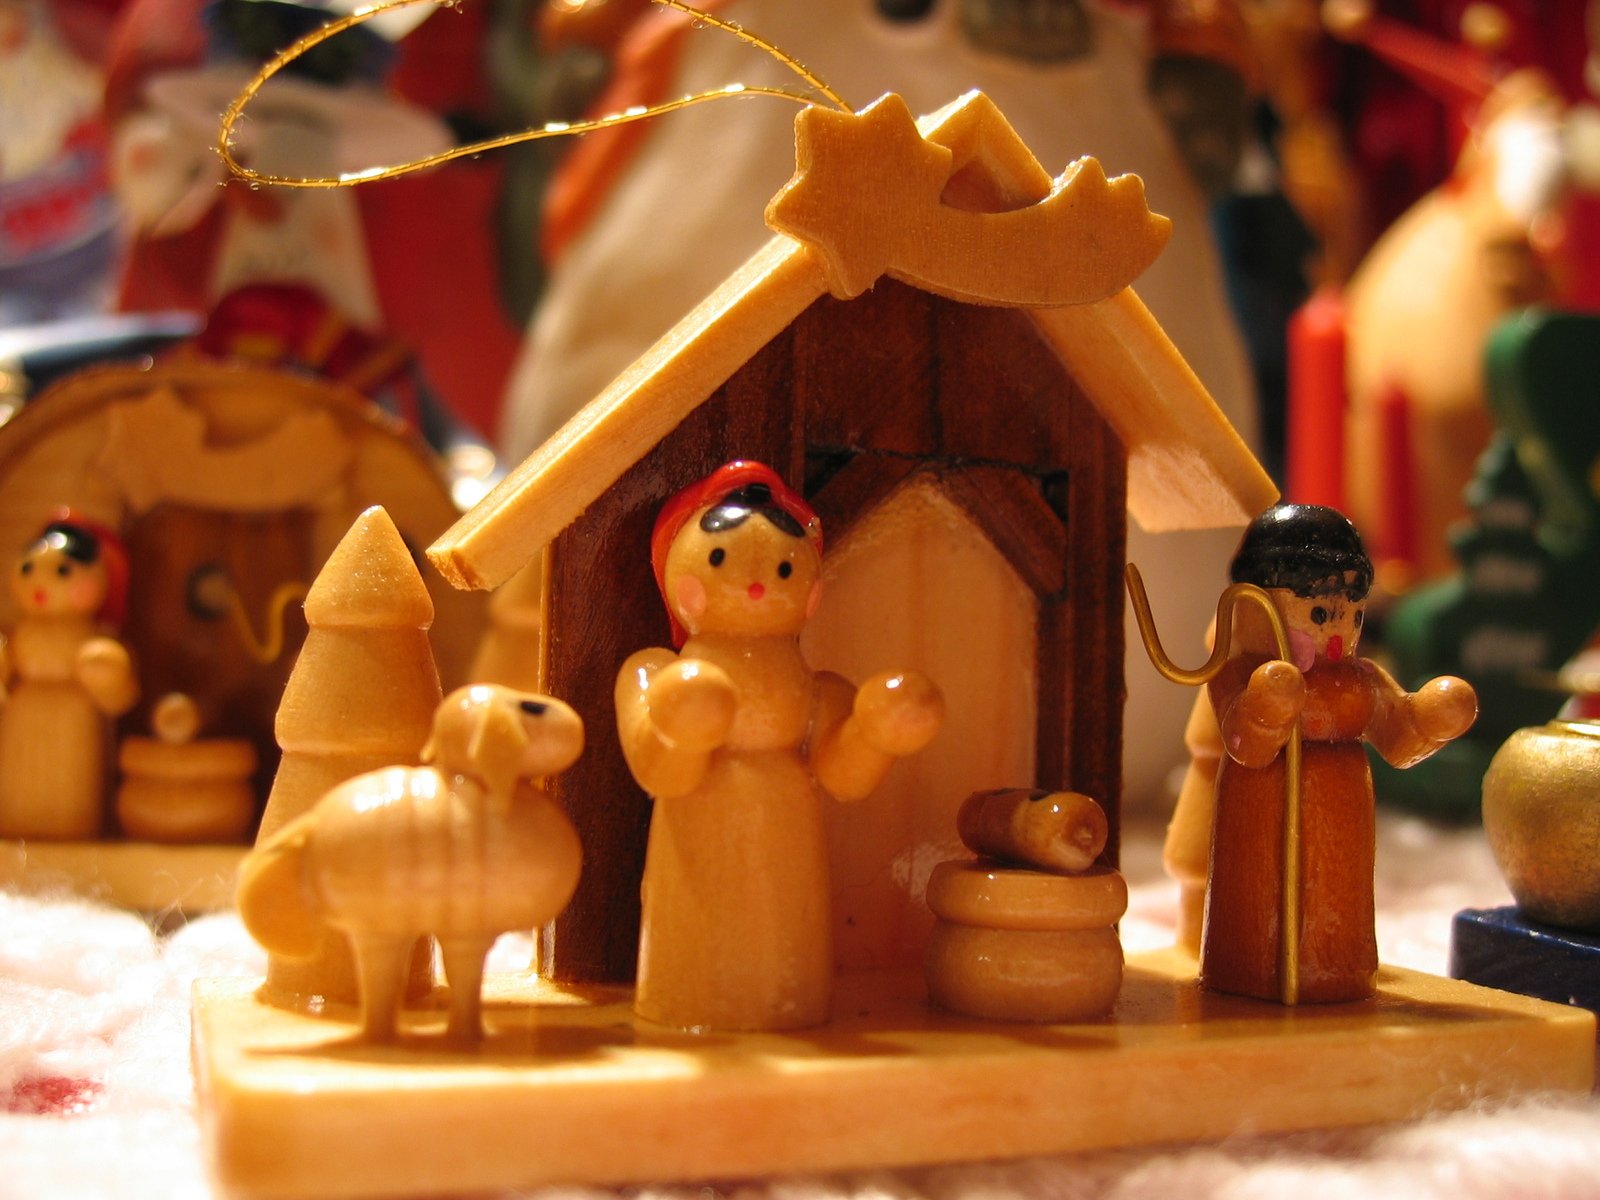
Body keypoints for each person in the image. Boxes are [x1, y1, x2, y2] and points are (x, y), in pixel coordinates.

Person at [1203, 504, 1476, 1002]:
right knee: (1260, 910)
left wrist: (1433, 718)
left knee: (1336, 908)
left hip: (1343, 821)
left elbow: (1399, 736)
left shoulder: (1361, 680)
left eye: (1353, 613)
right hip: (1261, 812)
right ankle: (1248, 973)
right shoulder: (1237, 673)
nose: (1337, 634)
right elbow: (1246, 742)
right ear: (1251, 604)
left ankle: (1338, 972)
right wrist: (1268, 705)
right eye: (1319, 614)